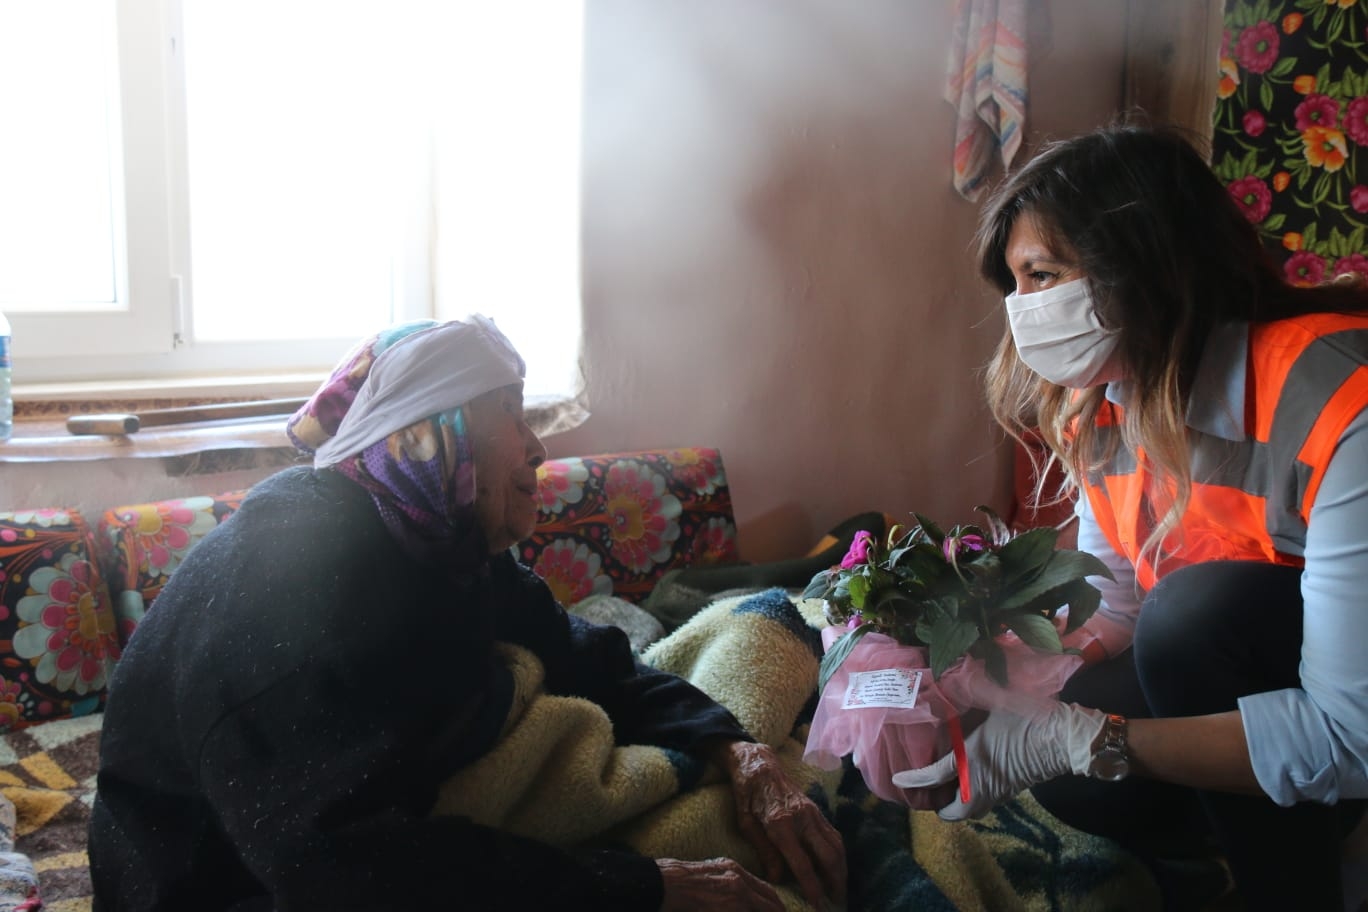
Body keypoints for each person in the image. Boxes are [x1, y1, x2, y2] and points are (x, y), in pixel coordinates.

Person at [88, 316, 846, 911]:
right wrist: (643, 886)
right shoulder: (293, 594)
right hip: (217, 887)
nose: (538, 448)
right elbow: (346, 871)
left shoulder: (436, 542)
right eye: (511, 412)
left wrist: (737, 752)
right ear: (435, 431)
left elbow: (584, 654)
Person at [891, 123, 1368, 911]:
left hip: (1344, 709)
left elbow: (1352, 736)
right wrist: (993, 670)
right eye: (1016, 284)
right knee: (1080, 779)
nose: (1023, 310)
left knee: (1190, 620)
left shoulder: (1339, 400)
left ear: (1143, 260)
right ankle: (1270, 821)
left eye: (1043, 275)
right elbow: (1115, 607)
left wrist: (1094, 739)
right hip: (1253, 676)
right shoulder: (1105, 406)